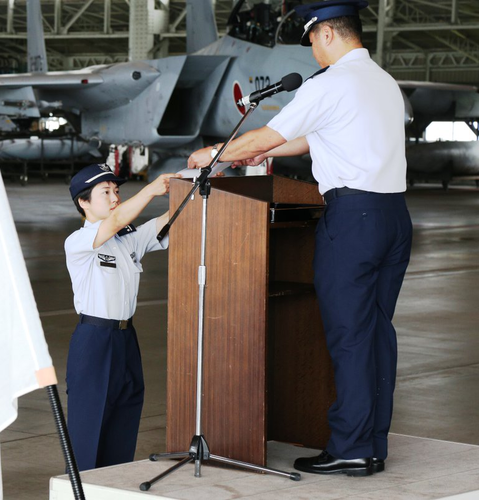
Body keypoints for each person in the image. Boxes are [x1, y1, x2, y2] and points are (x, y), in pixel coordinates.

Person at [189, 0, 412, 477]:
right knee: (375, 335)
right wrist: (251, 156)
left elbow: (269, 133)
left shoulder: (330, 83)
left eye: (311, 39)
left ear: (328, 34)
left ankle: (350, 446)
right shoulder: (382, 82)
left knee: (350, 338)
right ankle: (371, 443)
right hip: (393, 217)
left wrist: (216, 153)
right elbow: (314, 138)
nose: (310, 49)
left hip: (353, 219)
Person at [64, 164, 179, 471]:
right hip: (94, 341)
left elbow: (168, 221)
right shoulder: (79, 242)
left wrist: (196, 186)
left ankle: (112, 484)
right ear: (83, 202)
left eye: (117, 191)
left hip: (126, 338)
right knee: (88, 427)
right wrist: (152, 189)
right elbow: (115, 221)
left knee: (123, 419)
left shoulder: (126, 240)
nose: (115, 197)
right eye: (106, 192)